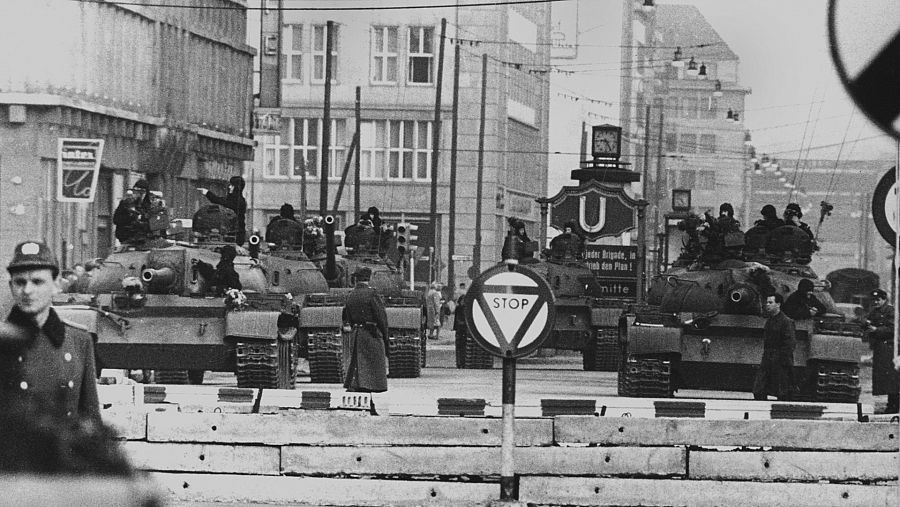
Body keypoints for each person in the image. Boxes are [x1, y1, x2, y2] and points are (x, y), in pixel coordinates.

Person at [1, 241, 100, 422]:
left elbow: (90, 422)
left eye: (38, 281)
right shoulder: (3, 342)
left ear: (56, 285)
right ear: (11, 286)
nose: (28, 290)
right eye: (20, 282)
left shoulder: (78, 340)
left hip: (61, 448)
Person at [341, 267, 389, 393]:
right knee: (373, 360)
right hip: (371, 332)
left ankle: (356, 383)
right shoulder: (372, 294)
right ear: (369, 278)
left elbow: (348, 316)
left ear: (356, 279)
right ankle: (370, 385)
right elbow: (381, 317)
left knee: (358, 360)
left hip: (356, 332)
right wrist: (385, 335)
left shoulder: (351, 295)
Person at [752, 293, 797, 401]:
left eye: (770, 302)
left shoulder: (786, 322)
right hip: (768, 358)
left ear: (778, 304)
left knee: (782, 392)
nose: (767, 305)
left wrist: (783, 360)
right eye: (767, 302)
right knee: (759, 391)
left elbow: (790, 342)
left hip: (780, 359)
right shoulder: (769, 321)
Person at [865, 288, 898, 413]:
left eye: (878, 300)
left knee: (892, 378)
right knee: (885, 378)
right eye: (874, 300)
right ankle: (891, 404)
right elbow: (867, 320)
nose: (876, 302)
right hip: (880, 349)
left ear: (884, 299)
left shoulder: (891, 311)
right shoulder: (875, 312)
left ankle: (893, 405)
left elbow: (893, 329)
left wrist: (876, 330)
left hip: (889, 348)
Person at [198, 175, 247, 245]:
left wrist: (207, 193)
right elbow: (219, 200)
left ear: (236, 187)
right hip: (231, 233)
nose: (229, 187)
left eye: (232, 185)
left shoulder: (238, 201)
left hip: (234, 236)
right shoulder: (234, 199)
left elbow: (220, 201)